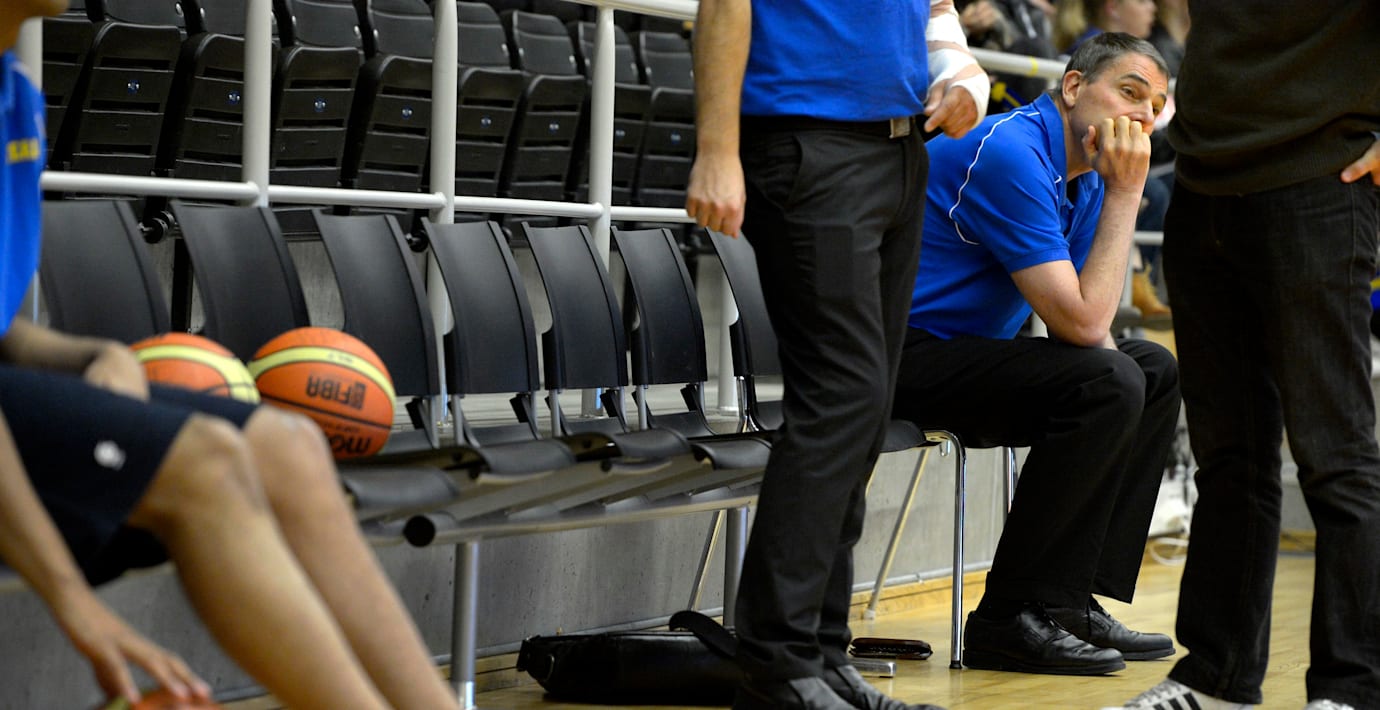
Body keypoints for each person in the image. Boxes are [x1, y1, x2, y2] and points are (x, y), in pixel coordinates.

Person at [0, 3, 460, 708]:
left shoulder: (15, 90)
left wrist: (89, 354)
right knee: (206, 458)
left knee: (290, 446)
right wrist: (76, 603)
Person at [684, 1, 987, 708]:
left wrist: (960, 70)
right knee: (841, 400)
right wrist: (716, 148)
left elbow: (936, 9)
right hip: (810, 140)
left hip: (900, 148)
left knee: (865, 407)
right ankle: (778, 660)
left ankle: (821, 653)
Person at [1109, 2, 1380, 710]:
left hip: (1318, 183)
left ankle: (1352, 689)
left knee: (1336, 456)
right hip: (1202, 187)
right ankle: (1214, 679)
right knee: (1230, 459)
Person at [892, 32, 1178, 676]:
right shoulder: (1010, 151)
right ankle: (1007, 617)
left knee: (1150, 372)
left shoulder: (1087, 174)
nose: (1142, 116)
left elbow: (1085, 330)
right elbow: (1080, 322)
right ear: (1073, 87)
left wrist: (1124, 382)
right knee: (1110, 379)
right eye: (1129, 92)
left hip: (968, 356)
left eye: (1155, 107)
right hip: (893, 358)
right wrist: (1128, 194)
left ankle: (1068, 602)